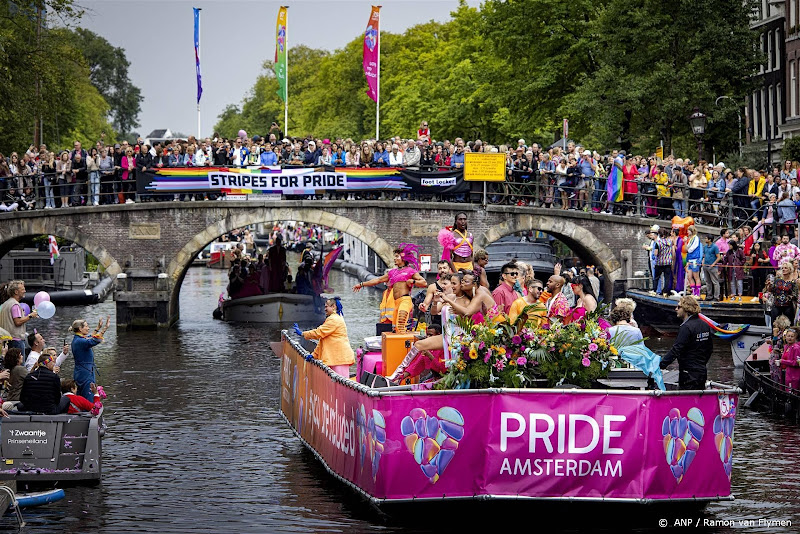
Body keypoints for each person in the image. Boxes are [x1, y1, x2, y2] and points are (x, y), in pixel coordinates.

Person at [353, 243, 426, 333]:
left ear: (403, 258)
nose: (394, 259)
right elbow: (378, 280)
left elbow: (424, 283)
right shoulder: (392, 272)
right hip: (396, 302)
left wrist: (413, 282)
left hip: (405, 300)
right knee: (396, 328)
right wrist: (361, 284)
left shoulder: (410, 271)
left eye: (397, 256)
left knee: (401, 320)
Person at [659, 295, 713, 390]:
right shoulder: (705, 325)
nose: (676, 309)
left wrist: (661, 365)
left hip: (688, 373)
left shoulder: (686, 327)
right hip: (701, 371)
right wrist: (701, 364)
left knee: (686, 400)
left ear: (686, 308)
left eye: (679, 307)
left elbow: (676, 349)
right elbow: (709, 348)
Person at [294, 298, 354, 378]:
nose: (324, 309)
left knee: (340, 384)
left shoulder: (333, 319)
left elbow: (319, 333)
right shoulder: (334, 318)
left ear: (333, 307)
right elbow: (323, 339)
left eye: (326, 307)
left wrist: (302, 334)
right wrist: (314, 355)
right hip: (336, 359)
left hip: (339, 359)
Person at [71, 316, 109, 402]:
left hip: (80, 371)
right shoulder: (80, 341)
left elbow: (90, 337)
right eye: (86, 326)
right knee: (88, 395)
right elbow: (94, 340)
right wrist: (104, 329)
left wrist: (98, 328)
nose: (88, 328)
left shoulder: (78, 339)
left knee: (81, 395)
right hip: (86, 372)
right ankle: (89, 411)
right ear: (80, 329)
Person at [0, 280, 38, 352]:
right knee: (19, 363)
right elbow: (17, 322)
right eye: (23, 289)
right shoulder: (15, 305)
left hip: (6, 340)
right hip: (16, 340)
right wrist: (30, 315)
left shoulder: (5, 304)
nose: (25, 291)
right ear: (16, 292)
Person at [684, 226, 703, 298]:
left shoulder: (696, 238)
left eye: (689, 231)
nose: (687, 232)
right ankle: (693, 291)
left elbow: (690, 250)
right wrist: (685, 242)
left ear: (692, 231)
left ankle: (697, 293)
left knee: (696, 277)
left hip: (695, 260)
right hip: (689, 260)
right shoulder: (690, 239)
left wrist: (687, 248)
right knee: (689, 277)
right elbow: (686, 249)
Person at [701, 234, 721, 301]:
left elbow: (718, 257)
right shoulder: (705, 246)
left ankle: (716, 296)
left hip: (712, 267)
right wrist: (703, 262)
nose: (705, 239)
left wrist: (713, 264)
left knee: (715, 281)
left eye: (706, 238)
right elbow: (704, 255)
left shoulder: (715, 247)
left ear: (710, 240)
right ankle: (709, 295)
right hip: (705, 266)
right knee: (708, 281)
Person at [780, 326, 800, 391]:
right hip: (786, 373)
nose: (790, 338)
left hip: (793, 376)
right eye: (788, 336)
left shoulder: (796, 348)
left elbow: (796, 363)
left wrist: (783, 361)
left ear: (795, 338)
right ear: (785, 337)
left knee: (791, 393)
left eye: (792, 336)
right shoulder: (786, 347)